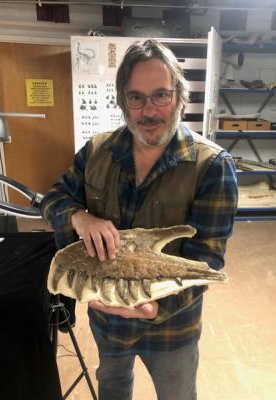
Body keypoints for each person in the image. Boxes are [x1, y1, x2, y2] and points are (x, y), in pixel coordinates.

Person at [40, 39, 238, 400]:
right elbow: (53, 199)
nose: (149, 111)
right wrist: (79, 217)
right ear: (123, 102)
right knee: (113, 391)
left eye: (161, 95)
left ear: (179, 97)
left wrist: (154, 308)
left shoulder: (212, 167)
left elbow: (206, 259)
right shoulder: (97, 151)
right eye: (136, 97)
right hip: (107, 322)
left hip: (172, 328)